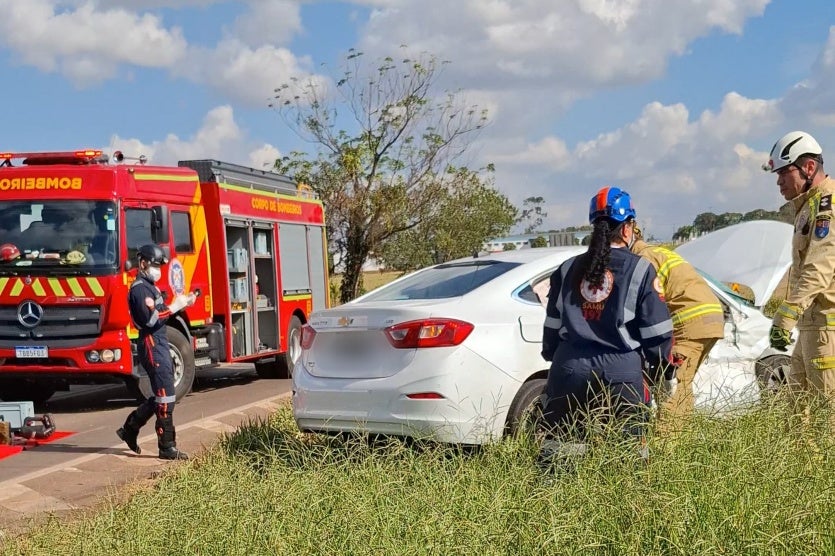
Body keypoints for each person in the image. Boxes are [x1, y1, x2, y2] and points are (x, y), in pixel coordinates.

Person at [539, 186, 674, 464]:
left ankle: (555, 501)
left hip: (569, 367)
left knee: (560, 455)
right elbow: (657, 332)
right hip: (621, 370)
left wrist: (557, 359)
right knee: (628, 458)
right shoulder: (640, 268)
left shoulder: (566, 269)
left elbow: (552, 325)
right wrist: (663, 372)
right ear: (627, 228)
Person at [765, 131, 835, 401]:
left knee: (824, 419)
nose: (779, 182)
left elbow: (819, 268)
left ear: (808, 168)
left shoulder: (827, 206)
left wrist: (784, 318)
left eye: (784, 173)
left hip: (825, 332)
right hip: (811, 328)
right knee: (796, 415)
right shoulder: (808, 206)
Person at [629, 225, 725, 416]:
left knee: (673, 389)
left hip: (689, 323)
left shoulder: (644, 260)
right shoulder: (660, 252)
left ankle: (669, 441)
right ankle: (681, 436)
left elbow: (651, 303)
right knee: (682, 384)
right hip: (710, 318)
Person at [117, 244, 196, 460]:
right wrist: (173, 307)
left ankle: (130, 428)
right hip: (152, 343)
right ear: (143, 263)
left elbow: (159, 313)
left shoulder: (150, 287)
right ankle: (166, 446)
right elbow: (150, 320)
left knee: (163, 395)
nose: (158, 270)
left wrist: (183, 303)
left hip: (159, 342)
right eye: (155, 265)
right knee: (166, 398)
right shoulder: (140, 289)